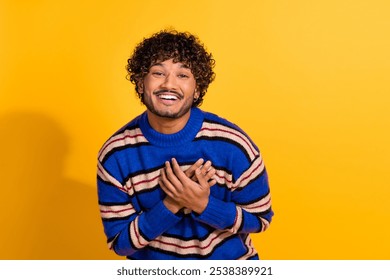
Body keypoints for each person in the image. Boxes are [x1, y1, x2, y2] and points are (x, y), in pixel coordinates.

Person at [97, 29, 274, 260]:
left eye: (182, 75)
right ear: (141, 83)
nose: (169, 84)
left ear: (197, 88)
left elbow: (260, 219)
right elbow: (121, 243)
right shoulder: (115, 155)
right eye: (158, 72)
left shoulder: (233, 145)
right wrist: (171, 204)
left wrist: (203, 204)